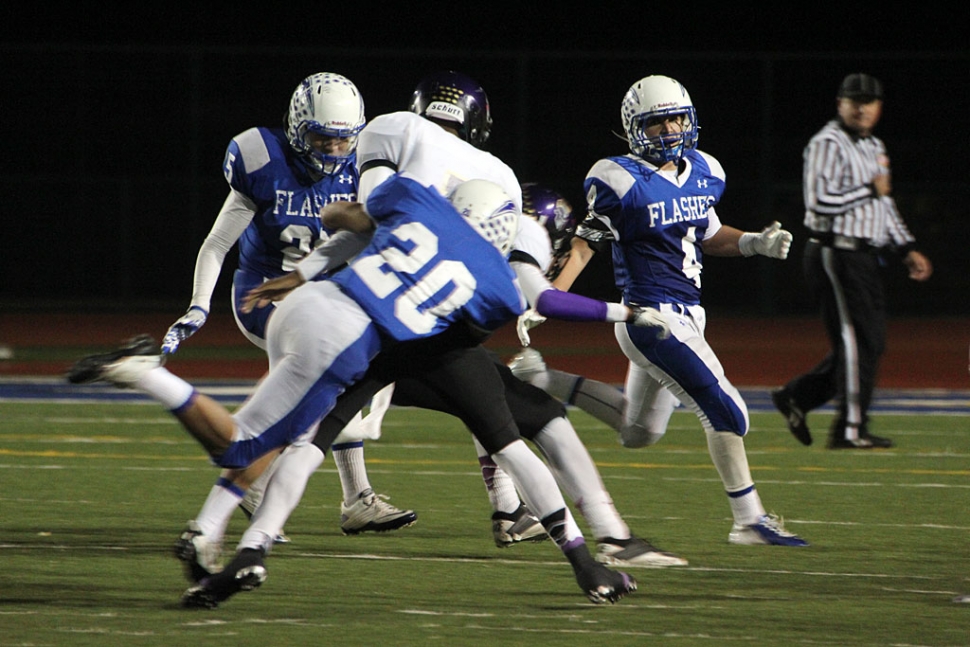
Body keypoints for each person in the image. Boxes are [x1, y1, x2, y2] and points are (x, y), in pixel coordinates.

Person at [70, 176, 638, 609]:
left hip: (314, 308)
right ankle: (147, 374)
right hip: (362, 339)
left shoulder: (418, 196)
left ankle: (248, 549)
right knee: (249, 446)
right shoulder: (496, 280)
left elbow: (338, 212)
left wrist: (368, 234)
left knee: (304, 442)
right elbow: (469, 329)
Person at [237, 71, 681, 571]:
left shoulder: (397, 134)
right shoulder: (500, 178)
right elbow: (537, 295)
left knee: (308, 434)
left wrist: (307, 267)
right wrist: (625, 310)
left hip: (369, 329)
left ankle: (242, 537)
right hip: (432, 340)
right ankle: (601, 539)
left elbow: (368, 221)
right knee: (530, 419)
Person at [515, 74, 809, 547]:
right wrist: (549, 298)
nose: (671, 130)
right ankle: (748, 520)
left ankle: (540, 379)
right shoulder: (618, 178)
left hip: (690, 314)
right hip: (649, 316)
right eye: (658, 123)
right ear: (635, 128)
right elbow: (586, 244)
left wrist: (755, 242)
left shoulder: (704, 170)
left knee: (639, 431)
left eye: (677, 119)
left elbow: (709, 234)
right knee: (728, 409)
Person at [159, 73, 416, 566]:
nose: (335, 147)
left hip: (327, 295)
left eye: (344, 136)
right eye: (323, 135)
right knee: (323, 385)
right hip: (265, 295)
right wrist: (198, 304)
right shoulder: (262, 159)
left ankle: (296, 493)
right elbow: (217, 244)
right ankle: (327, 497)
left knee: (325, 390)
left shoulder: (365, 164)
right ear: (299, 126)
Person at [771, 73, 933, 449]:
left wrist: (906, 247)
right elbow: (819, 203)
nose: (862, 107)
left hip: (863, 254)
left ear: (879, 107)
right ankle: (849, 428)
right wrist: (867, 189)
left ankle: (798, 395)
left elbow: (883, 203)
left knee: (868, 343)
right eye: (854, 100)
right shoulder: (826, 143)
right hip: (834, 251)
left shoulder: (874, 145)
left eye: (870, 101)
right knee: (856, 340)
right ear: (840, 104)